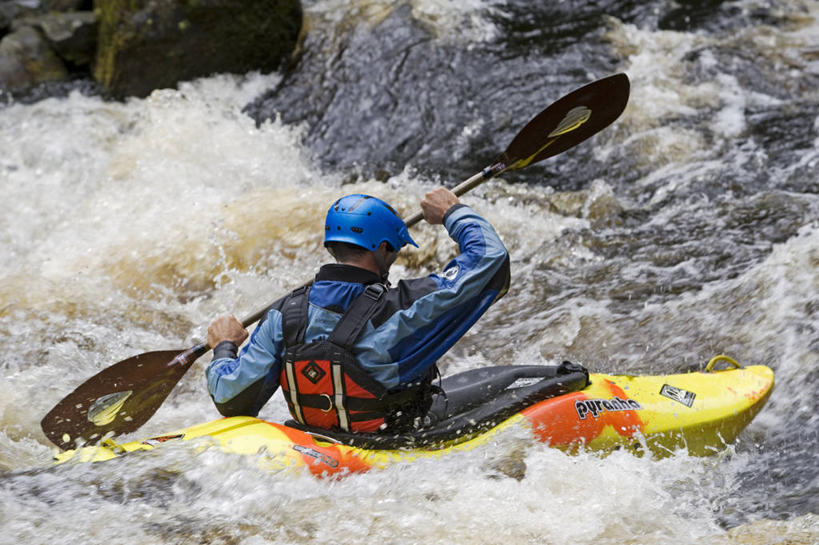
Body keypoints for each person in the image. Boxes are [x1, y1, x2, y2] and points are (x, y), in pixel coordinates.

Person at [206, 188, 510, 434]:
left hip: (314, 443)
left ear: (333, 247)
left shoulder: (283, 314)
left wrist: (224, 347)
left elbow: (230, 398)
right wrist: (453, 213)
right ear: (385, 249)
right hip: (391, 447)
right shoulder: (403, 308)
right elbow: (490, 260)